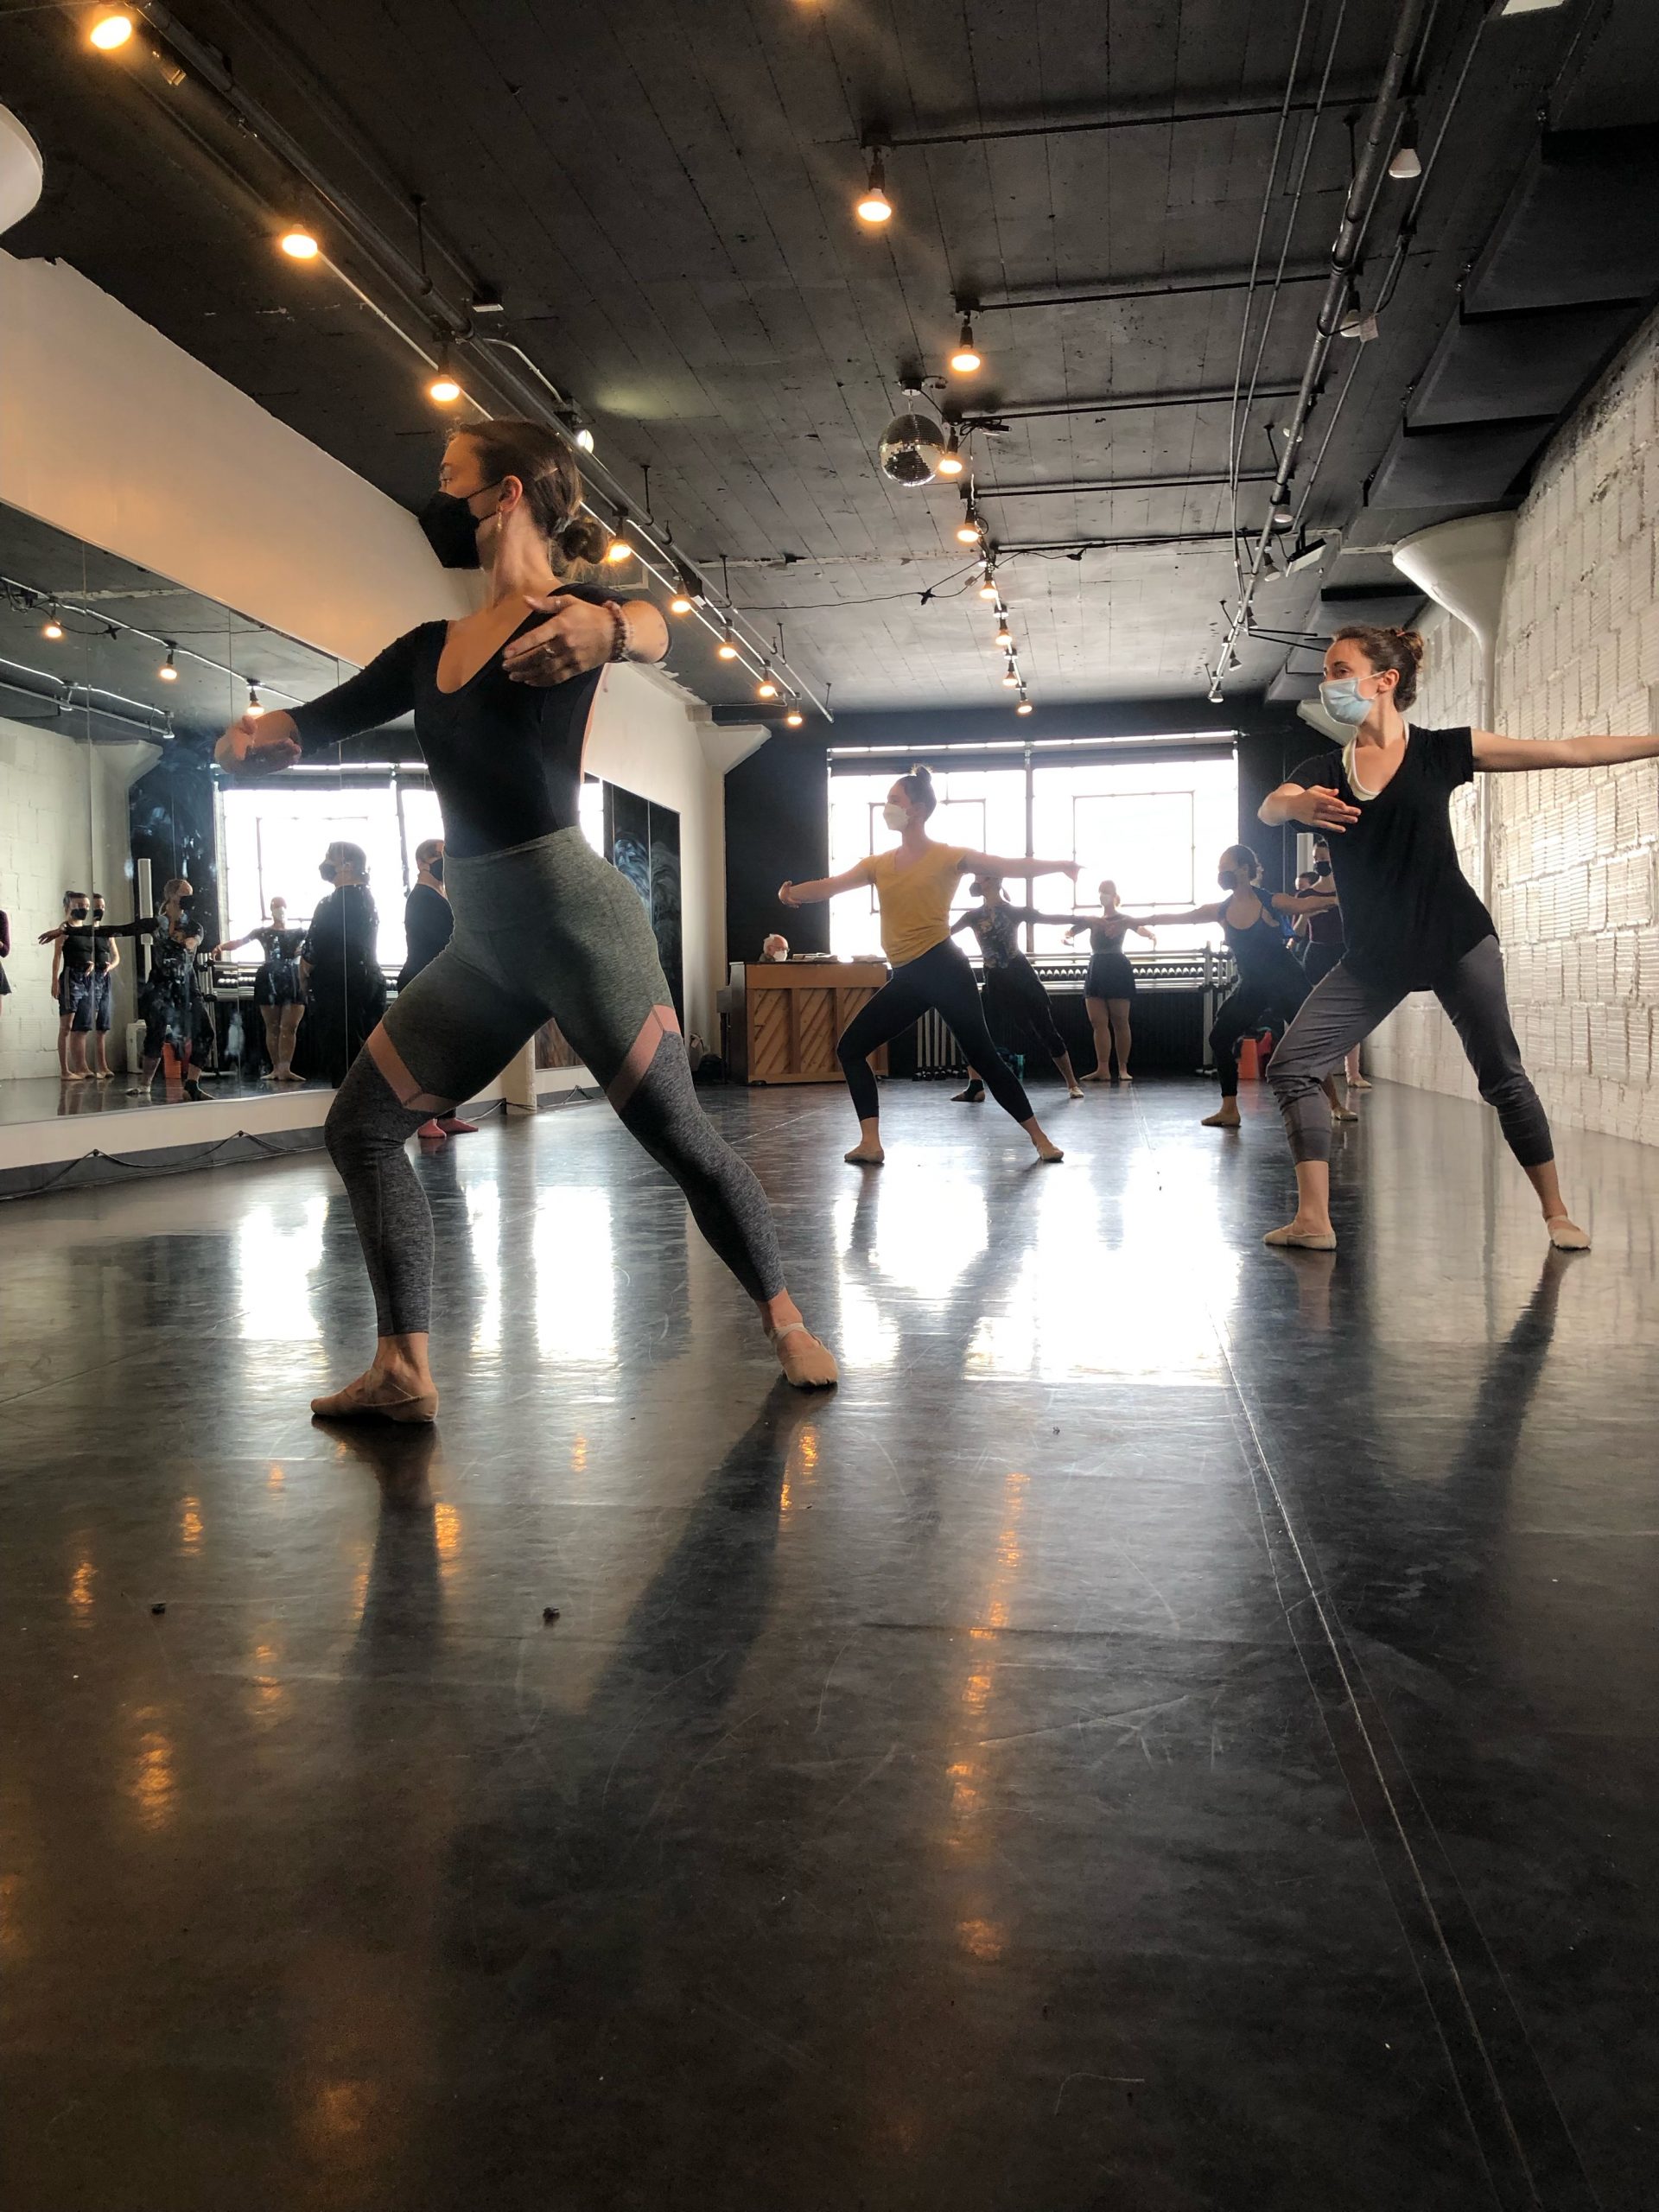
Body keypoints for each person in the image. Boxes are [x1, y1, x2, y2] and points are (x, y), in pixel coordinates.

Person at [216, 415, 836, 1409]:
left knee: (680, 1134)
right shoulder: (428, 648)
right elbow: (315, 719)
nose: (438, 484)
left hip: (577, 922)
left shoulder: (575, 612)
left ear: (504, 494)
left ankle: (790, 1320)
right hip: (485, 943)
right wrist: (252, 740)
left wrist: (615, 629)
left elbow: (657, 623)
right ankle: (403, 1365)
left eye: (452, 471)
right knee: (362, 1126)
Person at [1257, 623, 1659, 1251]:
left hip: (1455, 938)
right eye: (1326, 673)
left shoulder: (1443, 751)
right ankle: (1314, 1219)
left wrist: (1655, 742)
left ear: (1384, 680)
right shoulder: (1321, 772)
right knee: (1293, 1066)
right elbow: (1271, 805)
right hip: (1375, 956)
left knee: (1501, 1075)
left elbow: (1569, 750)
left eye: (1339, 671)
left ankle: (1556, 1211)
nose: (1327, 683)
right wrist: (1298, 806)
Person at [779, 766, 1077, 1164]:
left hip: (944, 968)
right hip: (908, 976)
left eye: (894, 800)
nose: (888, 807)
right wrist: (792, 893)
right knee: (851, 1048)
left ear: (917, 810)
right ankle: (870, 1143)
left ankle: (1040, 1138)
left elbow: (1007, 864)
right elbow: (832, 885)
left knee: (983, 1056)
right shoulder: (878, 863)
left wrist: (1059, 864)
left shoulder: (948, 856)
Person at [1128, 848, 1351, 1130]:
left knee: (1309, 1043)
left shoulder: (1269, 902)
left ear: (1244, 869)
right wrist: (1132, 922)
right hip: (1254, 986)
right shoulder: (1222, 910)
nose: (1221, 874)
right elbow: (1180, 917)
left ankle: (1335, 1104)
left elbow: (1305, 906)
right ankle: (1229, 1109)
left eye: (1226, 867)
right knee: (1220, 1037)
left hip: (1286, 982)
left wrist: (1343, 898)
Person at [948, 874, 1084, 1103]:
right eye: (977, 878)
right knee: (975, 1031)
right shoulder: (972, 916)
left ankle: (1072, 1083)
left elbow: (1047, 918)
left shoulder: (1013, 911)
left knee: (1045, 1030)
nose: (978, 881)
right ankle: (975, 1087)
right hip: (995, 979)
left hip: (1021, 977)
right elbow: (943, 935)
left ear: (995, 881)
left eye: (983, 877)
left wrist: (1085, 920)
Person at [397, 838, 474, 1141]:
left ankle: (446, 1116)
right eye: (439, 856)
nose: (446, 862)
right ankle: (424, 1119)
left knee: (449, 1054)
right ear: (421, 862)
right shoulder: (420, 899)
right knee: (427, 1055)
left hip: (440, 982)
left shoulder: (439, 896)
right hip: (422, 979)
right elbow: (437, 943)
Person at [300, 843, 386, 1089]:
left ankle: (350, 1115)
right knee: (368, 1050)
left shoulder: (330, 903)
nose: (325, 863)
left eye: (330, 858)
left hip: (338, 985)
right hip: (369, 978)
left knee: (343, 1055)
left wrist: (303, 979)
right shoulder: (368, 899)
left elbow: (311, 951)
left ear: (347, 866)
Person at [1065, 880, 1154, 1084]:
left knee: (1120, 1021)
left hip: (1116, 968)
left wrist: (1150, 935)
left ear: (1115, 896)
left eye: (1106, 892)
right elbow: (1074, 928)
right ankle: (1103, 1068)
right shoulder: (1094, 920)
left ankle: (1123, 1067)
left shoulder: (1123, 918)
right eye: (1100, 892)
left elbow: (1138, 927)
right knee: (1098, 1022)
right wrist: (1067, 935)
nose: (1102, 895)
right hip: (1096, 967)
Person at [212, 895, 307, 1083]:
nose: (279, 909)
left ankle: (285, 1068)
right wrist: (221, 947)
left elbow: (317, 941)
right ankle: (276, 1067)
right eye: (276, 906)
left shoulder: (299, 932)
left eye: (282, 905)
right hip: (269, 975)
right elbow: (240, 942)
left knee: (289, 1026)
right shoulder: (262, 932)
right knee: (272, 1026)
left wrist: (304, 951)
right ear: (270, 910)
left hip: (292, 977)